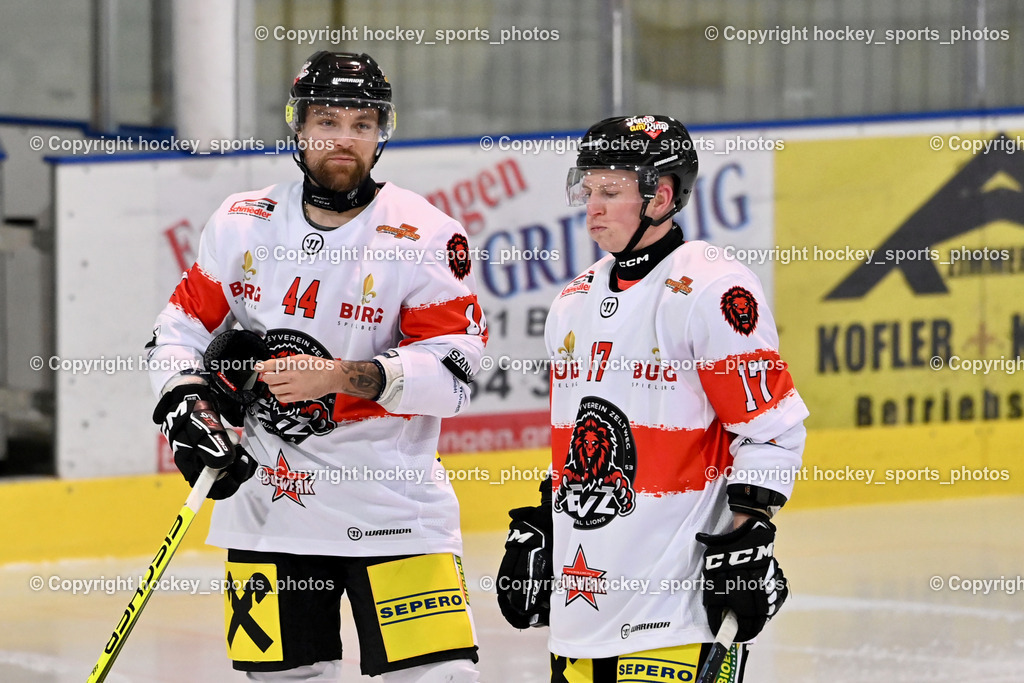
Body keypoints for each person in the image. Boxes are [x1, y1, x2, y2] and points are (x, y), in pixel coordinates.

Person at [146, 51, 486, 682]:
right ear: (297, 129)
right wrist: (183, 402)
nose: (345, 139)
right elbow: (178, 330)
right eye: (328, 120)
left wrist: (340, 377)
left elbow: (457, 378)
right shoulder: (243, 222)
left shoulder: (424, 234)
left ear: (382, 133)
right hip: (268, 511)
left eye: (363, 123)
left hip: (394, 513)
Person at [496, 115, 808, 681]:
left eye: (610, 191)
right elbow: (579, 442)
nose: (592, 206)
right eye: (587, 189)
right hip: (583, 607)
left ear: (661, 195)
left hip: (676, 613)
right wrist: (547, 519)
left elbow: (772, 427)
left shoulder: (712, 288)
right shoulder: (573, 300)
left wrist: (747, 533)